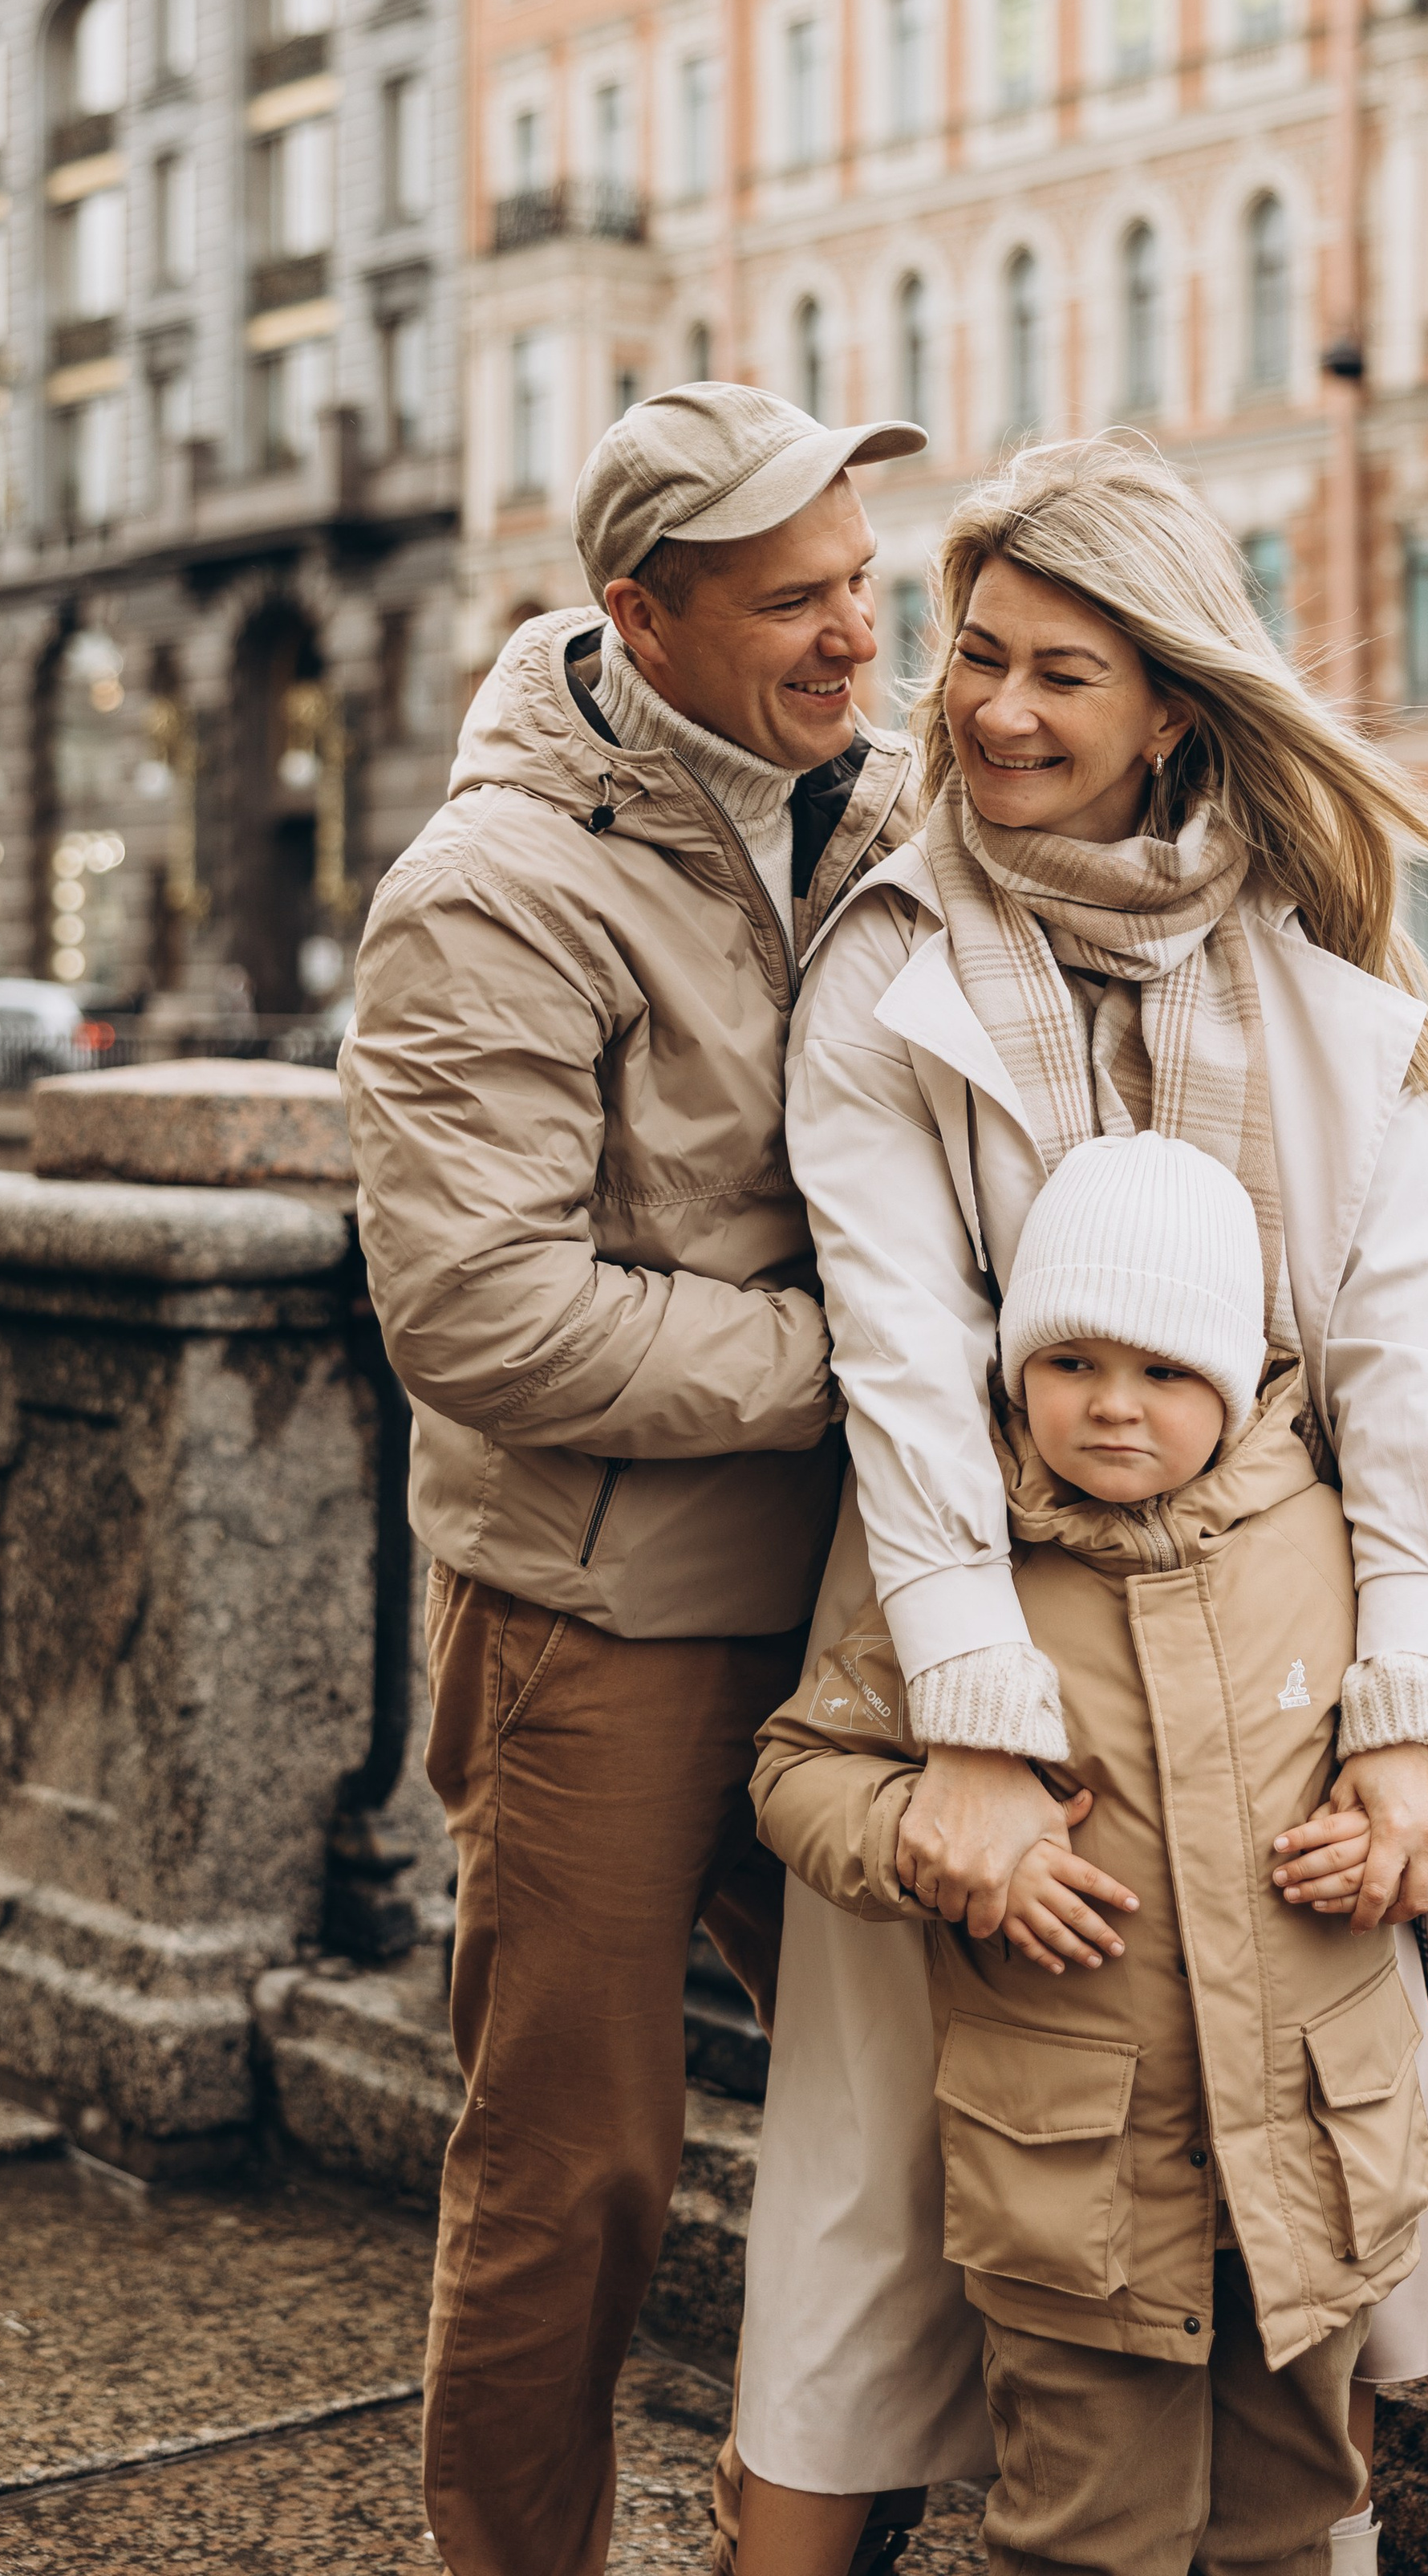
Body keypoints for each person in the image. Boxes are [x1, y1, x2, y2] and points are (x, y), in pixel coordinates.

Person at [729, 435, 1428, 2575]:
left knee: (1296, 2257)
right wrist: (969, 1736)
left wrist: (1420, 1722)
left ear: (1174, 698)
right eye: (972, 655)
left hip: (1277, 1680)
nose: (992, 709)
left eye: (1063, 670)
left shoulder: (1339, 997)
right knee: (871, 2225)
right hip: (983, 1663)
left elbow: (1422, 1378)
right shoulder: (886, 977)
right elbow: (900, 1367)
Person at [340, 380, 928, 2576]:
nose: (855, 634)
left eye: (863, 582)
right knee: (572, 2174)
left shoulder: (868, 800)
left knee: (947, 2117)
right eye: (794, 599)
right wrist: (858, 1360)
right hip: (598, 1617)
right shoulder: (491, 887)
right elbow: (480, 1314)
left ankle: (793, 2537)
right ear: (638, 617)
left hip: (864, 1595)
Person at [754, 1129, 1428, 2576]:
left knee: (1296, 2515)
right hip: (1075, 2193)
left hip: (1314, 2171)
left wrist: (1423, 1842)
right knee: (1082, 2530)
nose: (1113, 1409)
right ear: (1012, 1370)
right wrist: (929, 1839)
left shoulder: (1332, 1544)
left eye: (1165, 1373)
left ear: (1234, 1378)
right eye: (1072, 1365)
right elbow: (802, 1769)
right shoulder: (969, 1584)